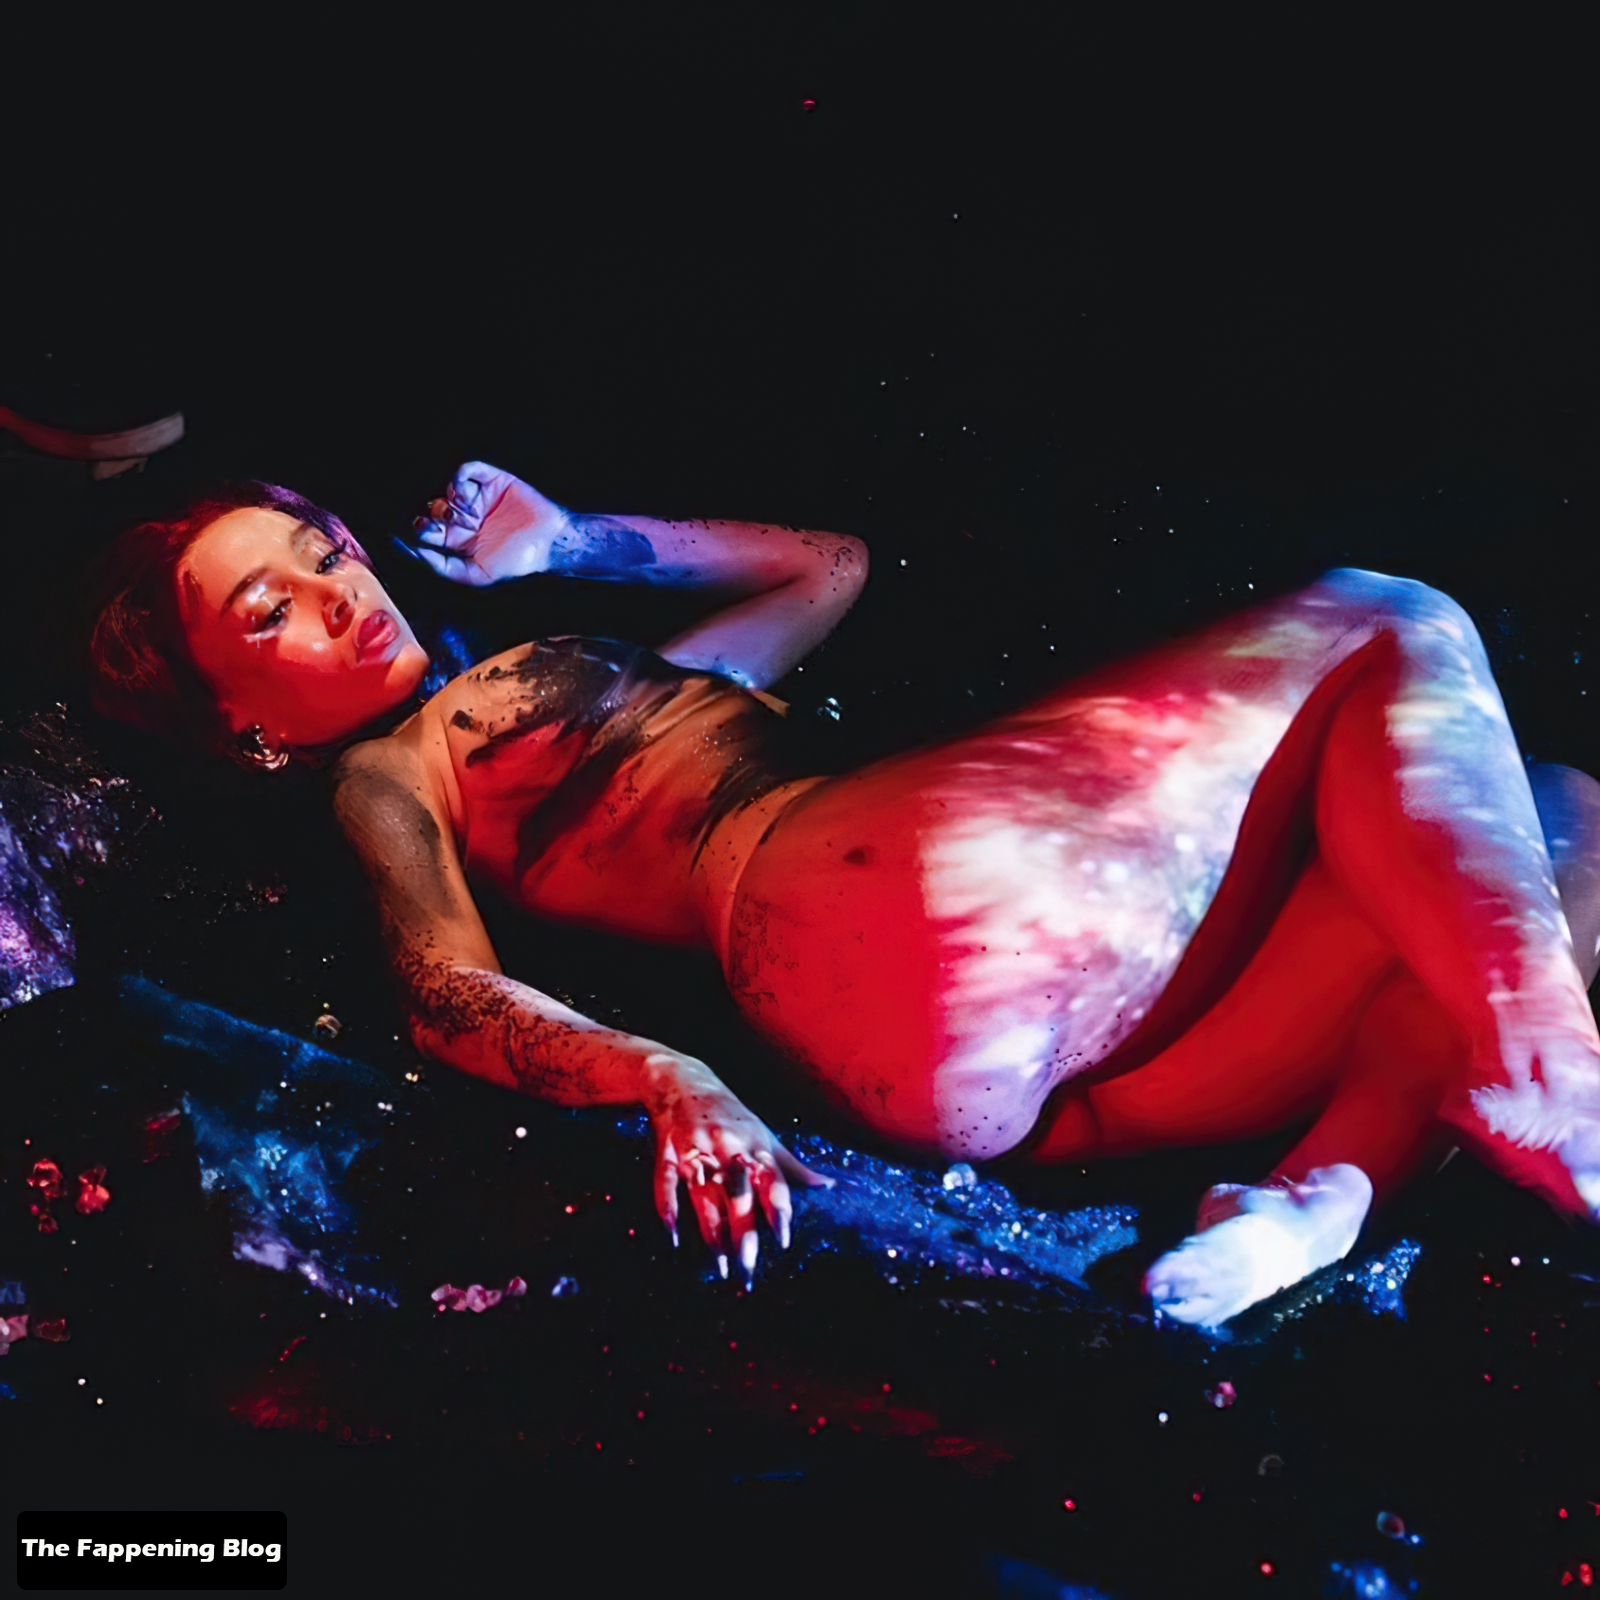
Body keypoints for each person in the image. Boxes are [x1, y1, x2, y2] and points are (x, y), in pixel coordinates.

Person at [84, 463, 1600, 1327]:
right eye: (273, 611)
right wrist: (665, 1081)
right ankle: (1554, 1069)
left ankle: (1309, 1210)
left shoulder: (599, 710)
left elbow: (827, 569)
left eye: (326, 552)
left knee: (1553, 821)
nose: (341, 593)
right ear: (243, 726)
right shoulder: (388, 771)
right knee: (1393, 618)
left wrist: (564, 543)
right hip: (879, 893)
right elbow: (442, 991)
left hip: (973, 1049)